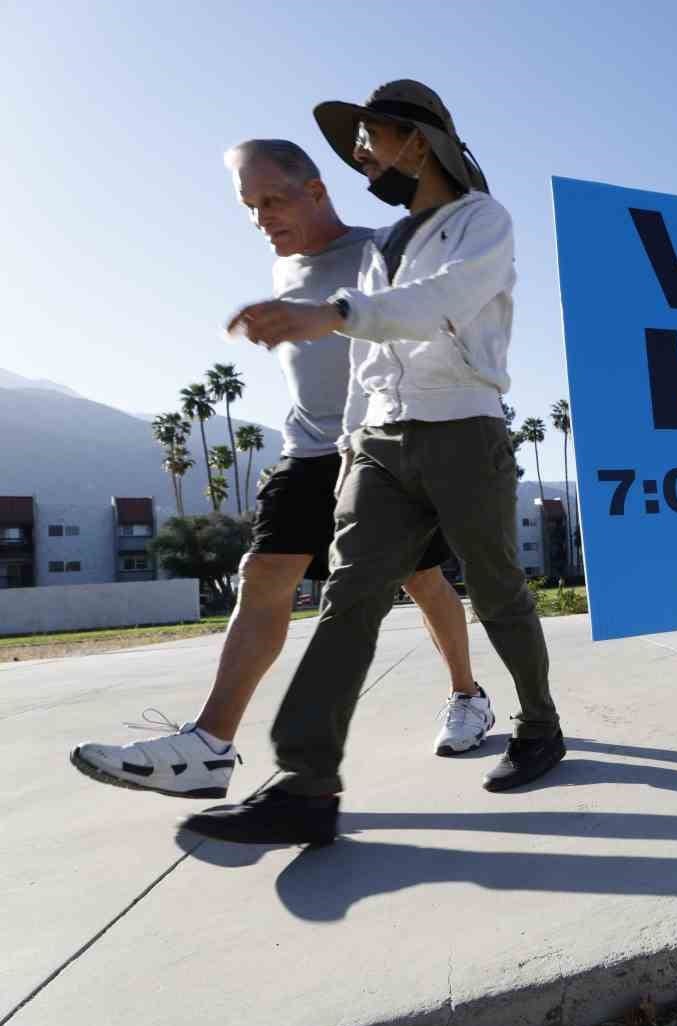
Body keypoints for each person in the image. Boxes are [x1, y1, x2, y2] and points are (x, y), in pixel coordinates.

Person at [184, 79, 563, 846]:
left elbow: (438, 303)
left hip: (464, 429)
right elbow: (367, 361)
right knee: (348, 598)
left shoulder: (482, 222)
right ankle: (306, 786)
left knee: (496, 591)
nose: (363, 159)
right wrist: (355, 439)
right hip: (381, 445)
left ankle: (539, 722)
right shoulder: (380, 247)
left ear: (418, 143)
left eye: (371, 141)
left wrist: (329, 314)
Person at [68, 138, 496, 803]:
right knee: (263, 573)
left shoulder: (382, 250)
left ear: (316, 190)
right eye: (249, 206)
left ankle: (468, 696)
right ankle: (208, 746)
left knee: (422, 576)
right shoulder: (281, 269)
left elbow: (431, 321)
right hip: (308, 450)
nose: (262, 217)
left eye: (272, 199)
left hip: (384, 448)